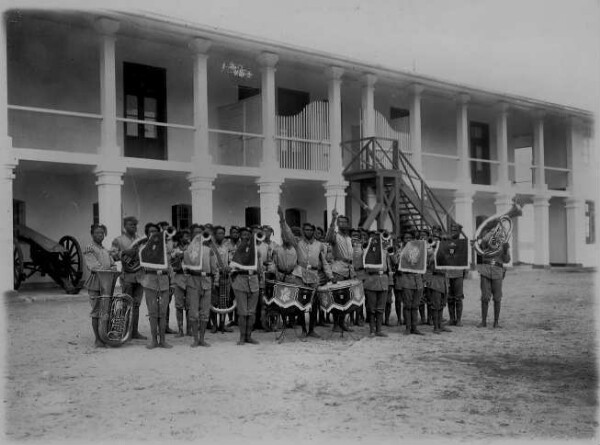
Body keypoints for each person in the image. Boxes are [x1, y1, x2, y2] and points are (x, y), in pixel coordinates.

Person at [278, 206, 333, 338]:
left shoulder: (320, 245)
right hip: (300, 275)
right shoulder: (297, 243)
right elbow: (287, 233)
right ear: (303, 231)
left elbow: (324, 261)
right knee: (301, 303)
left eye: (310, 230)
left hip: (314, 276)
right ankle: (303, 328)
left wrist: (330, 275)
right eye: (306, 229)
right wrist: (282, 219)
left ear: (314, 231)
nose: (308, 232)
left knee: (314, 304)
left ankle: (312, 329)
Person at [111, 216, 147, 340]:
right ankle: (123, 331)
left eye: (135, 225)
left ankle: (134, 332)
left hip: (140, 276)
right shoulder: (119, 240)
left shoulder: (140, 239)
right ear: (124, 226)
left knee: (136, 305)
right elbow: (113, 255)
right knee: (126, 303)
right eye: (131, 225)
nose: (134, 227)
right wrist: (127, 253)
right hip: (127, 276)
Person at [183, 228, 219, 347]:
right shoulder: (188, 251)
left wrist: (215, 282)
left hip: (207, 282)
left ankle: (202, 339)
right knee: (193, 312)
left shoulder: (209, 251)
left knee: (205, 312)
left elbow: (214, 268)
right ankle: (195, 339)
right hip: (193, 282)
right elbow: (185, 268)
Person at [83, 224, 116, 348]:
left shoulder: (104, 249)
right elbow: (94, 266)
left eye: (102, 233)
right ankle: (98, 339)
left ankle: (104, 336)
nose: (100, 235)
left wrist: (113, 267)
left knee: (106, 310)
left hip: (106, 283)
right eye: (97, 233)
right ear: (92, 234)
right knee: (96, 311)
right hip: (96, 283)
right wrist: (108, 270)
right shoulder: (89, 248)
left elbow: (112, 264)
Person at [140, 223, 172, 349]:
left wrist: (172, 282)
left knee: (163, 313)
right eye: (150, 232)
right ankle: (154, 340)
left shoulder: (164, 249)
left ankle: (163, 340)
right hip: (150, 282)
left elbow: (170, 267)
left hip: (164, 281)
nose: (153, 234)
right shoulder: (143, 248)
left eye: (155, 232)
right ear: (147, 234)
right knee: (153, 312)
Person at [230, 227, 264, 345]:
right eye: (243, 234)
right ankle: (242, 337)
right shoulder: (236, 248)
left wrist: (261, 280)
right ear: (240, 236)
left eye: (248, 234)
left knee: (251, 312)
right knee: (242, 312)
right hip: (240, 280)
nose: (245, 236)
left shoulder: (257, 249)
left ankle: (249, 336)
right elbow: (232, 266)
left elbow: (260, 267)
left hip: (253, 280)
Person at [324, 208, 355, 332]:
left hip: (349, 269)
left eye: (344, 222)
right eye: (340, 222)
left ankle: (342, 323)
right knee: (337, 297)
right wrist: (332, 219)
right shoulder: (335, 236)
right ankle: (336, 324)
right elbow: (328, 237)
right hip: (338, 269)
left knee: (346, 298)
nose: (342, 224)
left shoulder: (348, 237)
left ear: (347, 224)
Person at [396, 230, 425, 335]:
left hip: (418, 280)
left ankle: (414, 327)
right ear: (403, 240)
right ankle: (408, 328)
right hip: (407, 279)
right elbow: (396, 262)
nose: (408, 240)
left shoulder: (419, 249)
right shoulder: (401, 250)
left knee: (415, 306)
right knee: (407, 305)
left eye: (410, 238)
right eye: (406, 238)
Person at [477, 241, 510, 328]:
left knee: (497, 297)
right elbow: (478, 252)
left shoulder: (503, 244)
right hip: (485, 271)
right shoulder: (485, 242)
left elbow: (507, 260)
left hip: (498, 271)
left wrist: (506, 250)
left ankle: (496, 322)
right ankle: (483, 322)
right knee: (485, 297)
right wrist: (483, 243)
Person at [362, 232, 389, 337]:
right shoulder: (366, 251)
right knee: (371, 308)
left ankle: (379, 329)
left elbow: (392, 263)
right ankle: (372, 330)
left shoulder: (385, 250)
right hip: (371, 279)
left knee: (381, 307)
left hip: (383, 279)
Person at [209, 226, 234, 334]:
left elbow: (229, 261)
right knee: (213, 301)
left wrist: (229, 267)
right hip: (213, 276)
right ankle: (214, 325)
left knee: (224, 301)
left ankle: (222, 325)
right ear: (215, 235)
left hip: (224, 276)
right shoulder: (210, 247)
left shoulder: (226, 247)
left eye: (223, 233)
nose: (221, 235)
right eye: (219, 233)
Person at [427, 234, 452, 334]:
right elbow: (431, 261)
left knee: (442, 304)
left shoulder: (445, 251)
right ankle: (435, 326)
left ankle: (440, 325)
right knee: (435, 305)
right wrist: (437, 249)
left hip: (444, 279)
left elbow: (452, 257)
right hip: (436, 279)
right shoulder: (430, 251)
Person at [171, 229, 191, 337]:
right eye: (185, 236)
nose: (187, 238)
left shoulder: (192, 248)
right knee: (179, 306)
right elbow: (173, 258)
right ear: (180, 238)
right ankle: (180, 330)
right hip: (178, 278)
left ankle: (189, 330)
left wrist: (182, 254)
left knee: (189, 305)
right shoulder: (175, 248)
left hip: (190, 278)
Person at [446, 222, 467, 326]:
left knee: (458, 297)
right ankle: (451, 319)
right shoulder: (446, 241)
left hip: (458, 273)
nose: (453, 230)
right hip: (448, 272)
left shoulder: (462, 242)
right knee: (449, 297)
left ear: (459, 230)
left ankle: (458, 319)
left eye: (455, 229)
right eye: (452, 229)